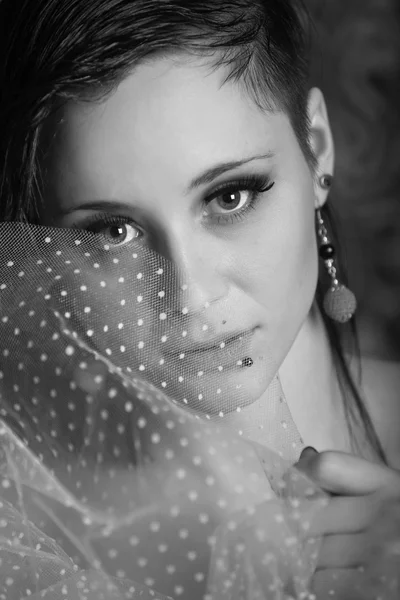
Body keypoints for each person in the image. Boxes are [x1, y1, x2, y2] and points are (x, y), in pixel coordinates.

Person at [0, 0, 399, 598]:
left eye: (230, 197)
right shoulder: (23, 518)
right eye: (113, 233)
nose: (189, 296)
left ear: (316, 148)